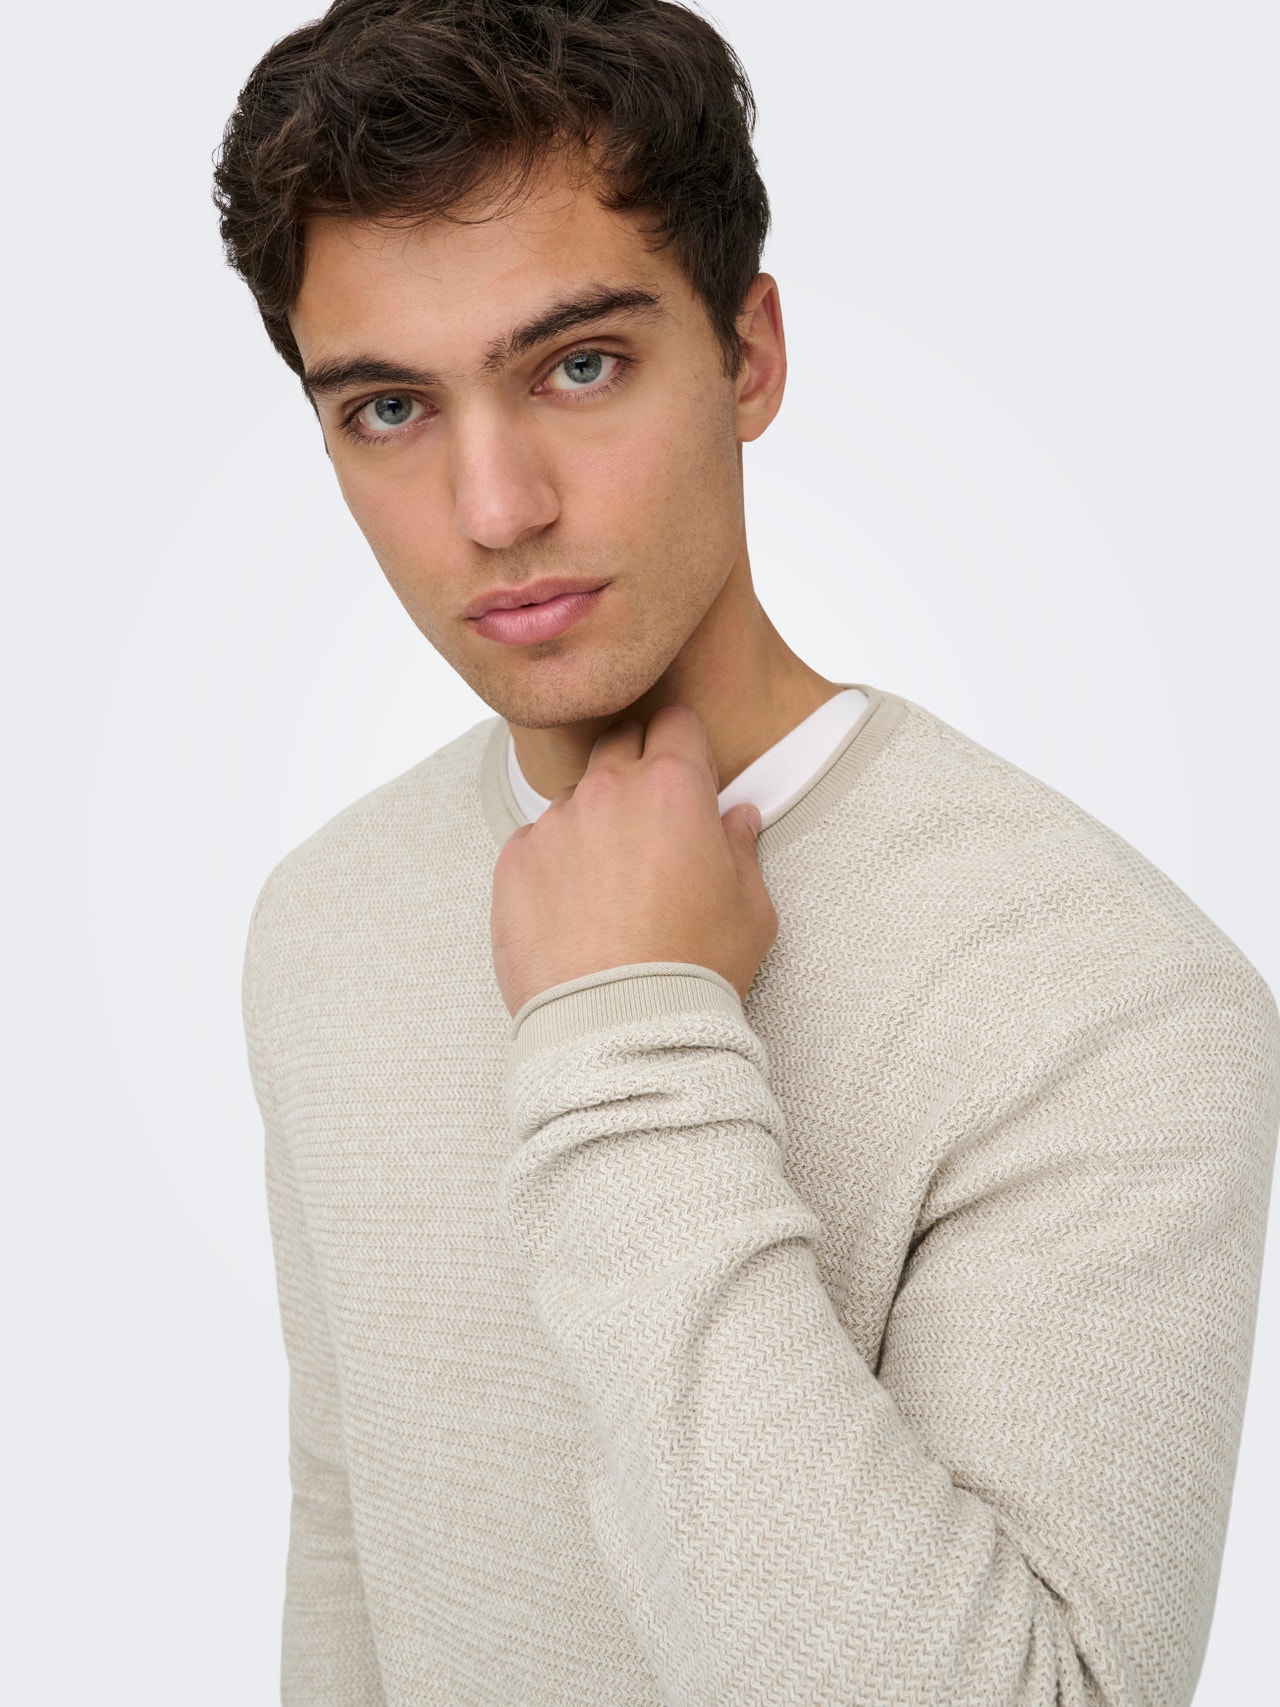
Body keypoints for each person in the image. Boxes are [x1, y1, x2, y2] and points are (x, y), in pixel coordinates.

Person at [215, 3, 1279, 1703]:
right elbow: (354, 1554)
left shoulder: (1109, 998)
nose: (494, 507)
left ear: (751, 355)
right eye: (390, 408)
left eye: (579, 365)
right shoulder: (326, 917)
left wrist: (629, 1036)